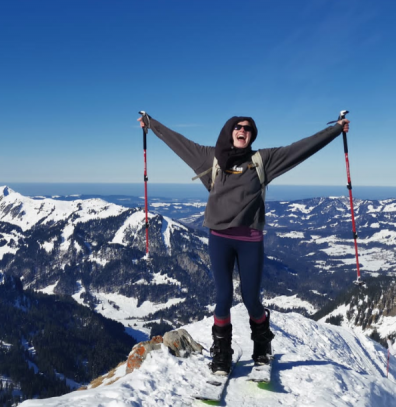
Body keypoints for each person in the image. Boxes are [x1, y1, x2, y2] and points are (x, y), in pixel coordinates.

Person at [137, 112, 349, 375]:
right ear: (230, 131)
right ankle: (222, 354)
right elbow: (179, 142)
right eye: (238, 127)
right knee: (223, 296)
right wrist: (151, 124)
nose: (242, 130)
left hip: (250, 240)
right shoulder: (211, 158)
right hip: (220, 239)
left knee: (251, 299)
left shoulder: (262, 160)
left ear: (251, 135)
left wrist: (335, 130)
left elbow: (300, 149)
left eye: (248, 128)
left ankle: (262, 345)